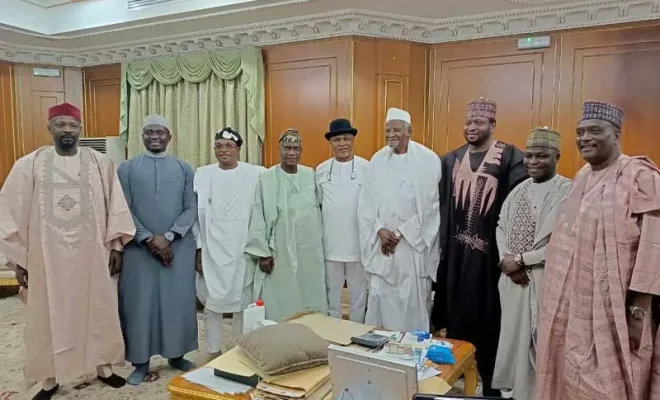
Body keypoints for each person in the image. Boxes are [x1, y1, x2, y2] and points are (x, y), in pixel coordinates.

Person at [0, 102, 135, 400]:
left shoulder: (99, 163)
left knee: (98, 308)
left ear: (80, 129)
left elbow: (115, 205)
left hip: (92, 256)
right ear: (49, 128)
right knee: (45, 316)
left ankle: (104, 368)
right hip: (45, 260)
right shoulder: (29, 164)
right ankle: (48, 379)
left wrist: (116, 246)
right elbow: (10, 211)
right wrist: (20, 261)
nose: (67, 131)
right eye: (60, 125)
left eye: (72, 126)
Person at [535, 101, 660, 399]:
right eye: (580, 132)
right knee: (565, 374)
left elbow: (653, 248)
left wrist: (638, 310)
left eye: (594, 131)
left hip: (616, 310)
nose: (584, 138)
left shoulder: (641, 176)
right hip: (572, 307)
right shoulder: (581, 177)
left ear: (615, 134)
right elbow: (566, 240)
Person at [431, 97, 528, 396]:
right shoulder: (451, 159)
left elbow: (519, 207)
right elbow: (441, 205)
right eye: (468, 122)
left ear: (492, 125)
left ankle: (491, 381)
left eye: (479, 122)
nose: (472, 127)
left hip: (490, 259)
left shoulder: (510, 156)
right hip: (457, 256)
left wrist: (514, 253)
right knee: (457, 313)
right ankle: (457, 375)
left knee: (490, 318)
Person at [117, 115, 198, 386]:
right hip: (139, 250)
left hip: (178, 247)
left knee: (177, 303)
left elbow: (191, 207)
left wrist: (170, 236)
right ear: (142, 136)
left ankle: (176, 355)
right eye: (149, 132)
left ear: (169, 137)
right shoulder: (127, 168)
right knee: (139, 306)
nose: (154, 137)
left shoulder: (184, 168)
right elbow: (123, 208)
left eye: (160, 132)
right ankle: (140, 362)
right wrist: (149, 238)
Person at [491, 127, 571, 400]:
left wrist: (522, 260)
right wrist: (507, 261)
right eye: (529, 156)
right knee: (513, 340)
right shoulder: (518, 190)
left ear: (557, 157)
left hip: (543, 280)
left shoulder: (567, 191)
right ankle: (514, 393)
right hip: (512, 280)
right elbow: (501, 226)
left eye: (541, 156)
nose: (533, 161)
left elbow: (565, 242)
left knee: (538, 342)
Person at [358, 108, 441, 332]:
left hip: (411, 245)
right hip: (381, 244)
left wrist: (399, 234)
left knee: (411, 297)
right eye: (387, 130)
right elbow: (365, 201)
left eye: (396, 130)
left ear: (409, 131)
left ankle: (412, 345)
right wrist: (379, 230)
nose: (391, 135)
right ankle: (379, 344)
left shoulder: (428, 160)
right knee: (380, 294)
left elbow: (431, 206)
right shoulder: (377, 160)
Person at [195, 127, 265, 355]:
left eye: (229, 146)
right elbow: (196, 214)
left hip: (243, 249)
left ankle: (239, 349)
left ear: (238, 149)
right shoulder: (202, 174)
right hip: (212, 249)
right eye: (219, 146)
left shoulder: (255, 173)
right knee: (212, 302)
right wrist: (198, 248)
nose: (224, 150)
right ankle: (213, 349)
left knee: (242, 302)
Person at [245, 128, 328, 321]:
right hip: (279, 249)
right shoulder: (267, 177)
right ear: (280, 149)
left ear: (301, 151)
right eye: (287, 148)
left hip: (308, 248)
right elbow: (258, 213)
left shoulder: (310, 174)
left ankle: (311, 328)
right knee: (281, 293)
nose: (292, 153)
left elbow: (320, 209)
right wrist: (263, 252)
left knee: (309, 289)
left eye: (296, 148)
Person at [316, 119, 369, 322]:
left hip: (358, 243)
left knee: (358, 294)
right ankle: (333, 332)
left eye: (346, 138)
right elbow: (319, 205)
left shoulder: (367, 167)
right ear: (331, 143)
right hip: (330, 244)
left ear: (353, 139)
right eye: (337, 140)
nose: (342, 144)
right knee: (332, 294)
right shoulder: (321, 170)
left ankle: (356, 330)